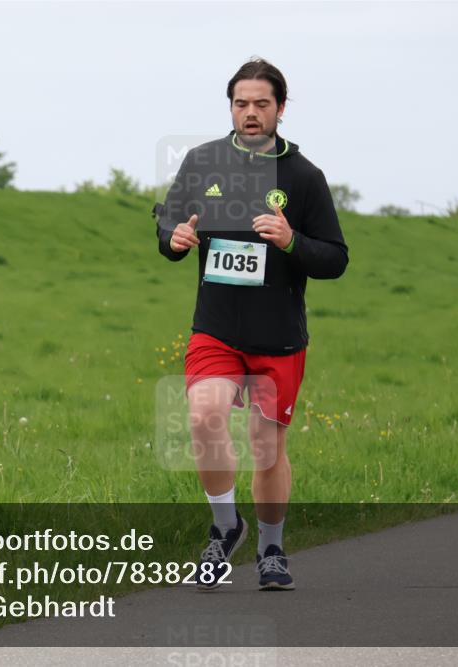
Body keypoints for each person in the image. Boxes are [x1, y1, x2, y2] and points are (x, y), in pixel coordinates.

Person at [154, 59, 348, 590]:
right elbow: (168, 222)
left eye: (262, 104)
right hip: (216, 327)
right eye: (242, 104)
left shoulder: (304, 177)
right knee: (203, 418)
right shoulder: (202, 161)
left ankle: (271, 548)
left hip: (277, 335)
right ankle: (225, 527)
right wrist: (173, 239)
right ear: (231, 107)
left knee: (267, 448)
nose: (251, 113)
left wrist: (291, 241)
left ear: (281, 109)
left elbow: (335, 258)